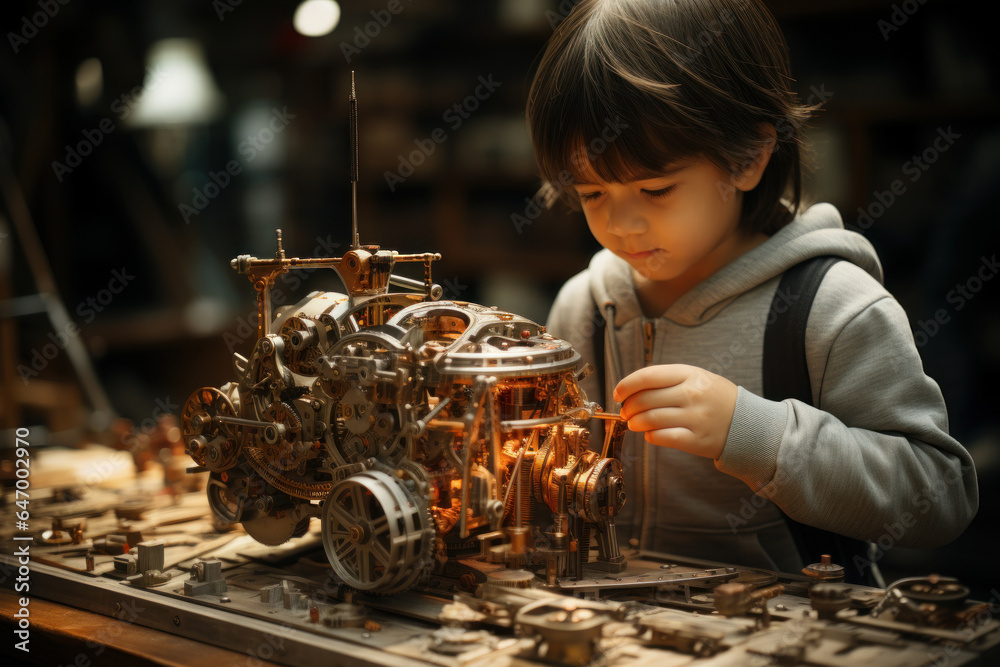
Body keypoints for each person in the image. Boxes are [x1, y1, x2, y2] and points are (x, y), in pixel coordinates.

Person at [526, 0, 978, 577]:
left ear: (747, 158)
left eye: (657, 190)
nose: (621, 225)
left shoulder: (831, 308)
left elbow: (941, 497)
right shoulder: (583, 308)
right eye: (592, 194)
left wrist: (754, 432)